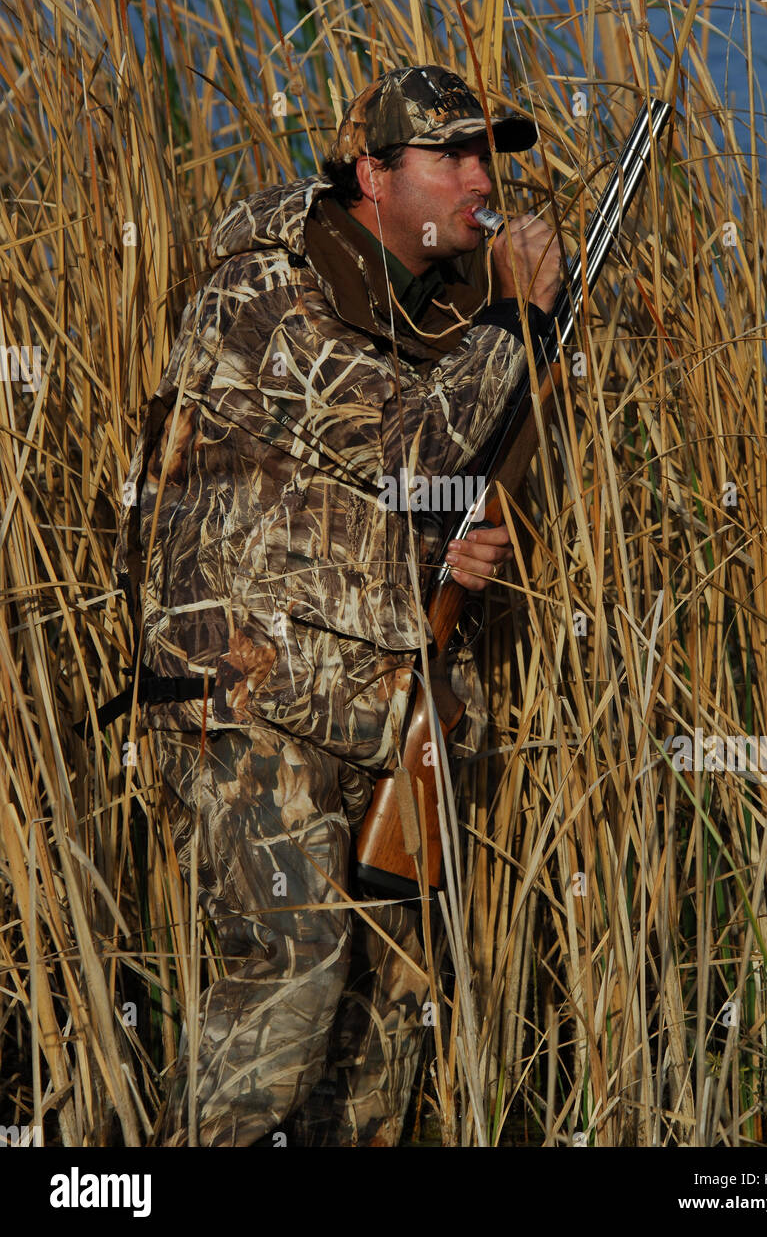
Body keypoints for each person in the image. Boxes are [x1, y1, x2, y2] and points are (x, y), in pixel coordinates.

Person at [114, 64, 562, 1146]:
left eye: (484, 155)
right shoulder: (267, 284)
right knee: (294, 957)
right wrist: (517, 313)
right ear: (373, 174)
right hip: (244, 684)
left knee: (387, 1005)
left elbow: (360, 483)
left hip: (366, 690)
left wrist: (443, 546)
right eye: (447, 156)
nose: (475, 178)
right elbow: (410, 445)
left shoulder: (422, 307)